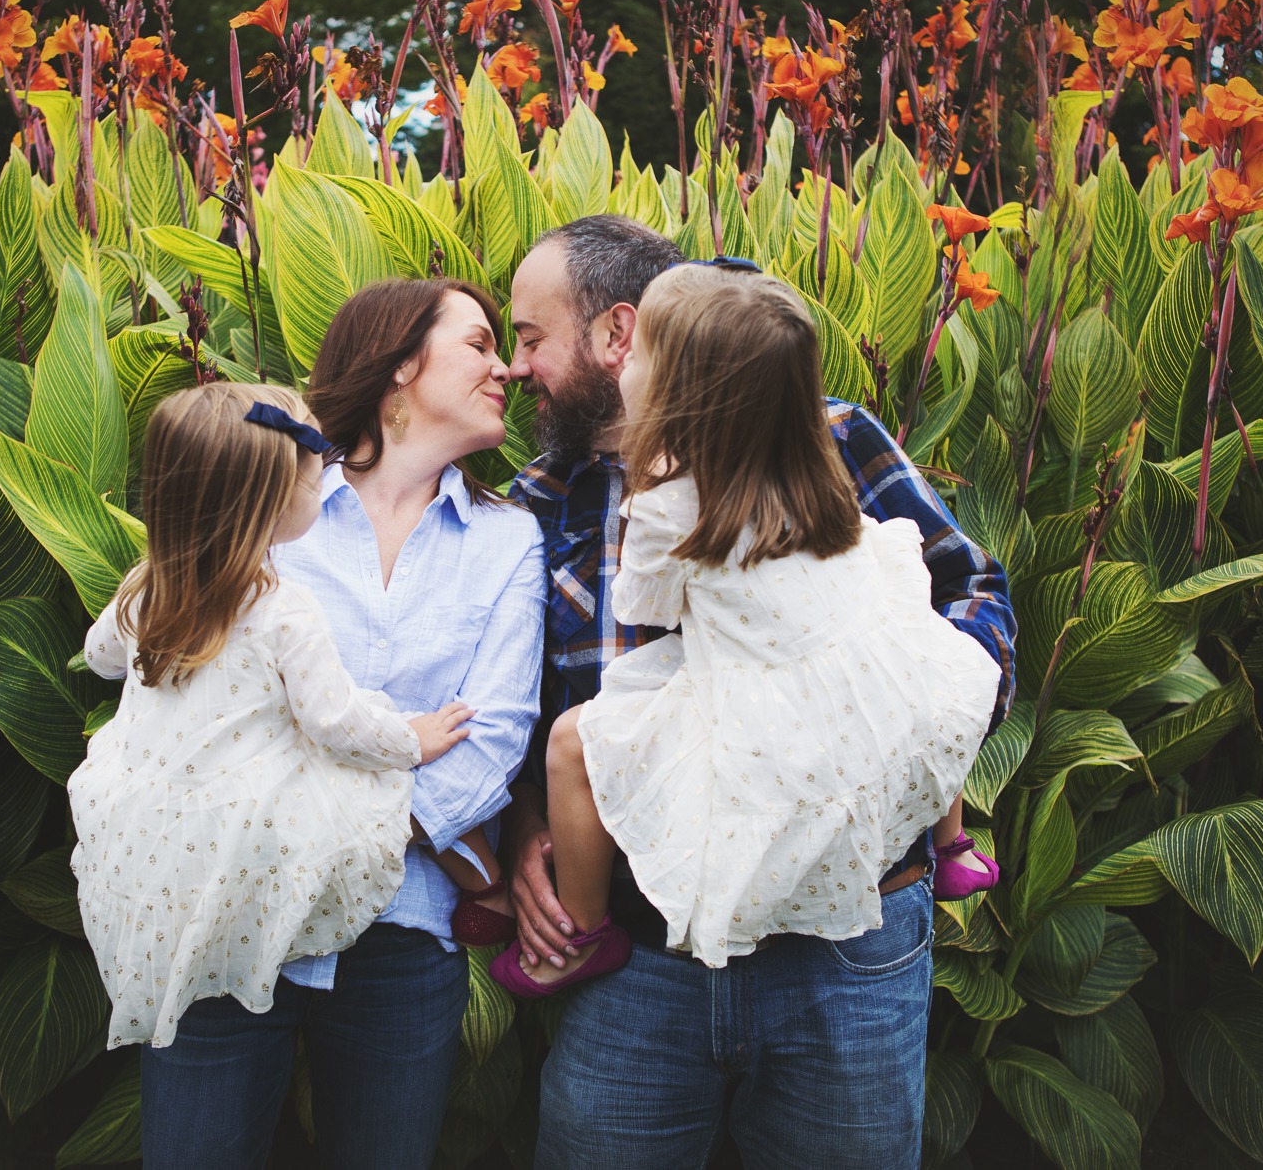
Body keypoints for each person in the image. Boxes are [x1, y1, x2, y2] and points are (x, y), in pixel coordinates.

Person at [503, 217, 1017, 1170]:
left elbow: (966, 591)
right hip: (646, 950)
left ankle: (941, 846)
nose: (516, 365)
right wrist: (523, 821)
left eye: (532, 337)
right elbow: (513, 709)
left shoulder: (822, 435)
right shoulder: (539, 502)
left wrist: (897, 722)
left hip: (845, 942)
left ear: (622, 336)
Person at [135, 281, 546, 1170]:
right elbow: (193, 700)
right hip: (229, 911)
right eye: (479, 344)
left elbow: (493, 738)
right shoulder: (270, 501)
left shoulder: (509, 542)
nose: (505, 365)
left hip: (397, 931)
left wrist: (308, 819)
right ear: (403, 363)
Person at [68, 382, 475, 1056]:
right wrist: (411, 738)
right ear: (270, 501)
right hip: (243, 820)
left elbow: (99, 655)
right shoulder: (284, 608)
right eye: (316, 480)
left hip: (155, 820)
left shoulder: (146, 588)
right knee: (358, 797)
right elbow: (333, 720)